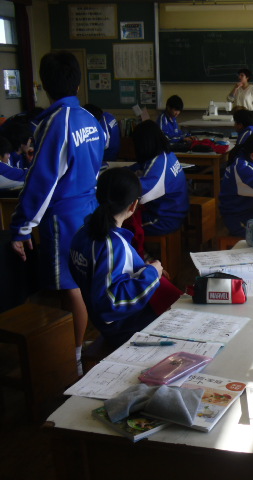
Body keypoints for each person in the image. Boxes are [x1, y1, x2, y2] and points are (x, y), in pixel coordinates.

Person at [10, 51, 106, 373]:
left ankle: (74, 359)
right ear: (78, 84)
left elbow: (42, 181)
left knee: (70, 287)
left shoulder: (56, 123)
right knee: (80, 280)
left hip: (63, 217)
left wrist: (22, 227)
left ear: (44, 86)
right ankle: (80, 350)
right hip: (88, 209)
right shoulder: (90, 119)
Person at [69, 168, 173, 348]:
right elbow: (111, 302)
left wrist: (141, 269)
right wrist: (152, 273)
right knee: (180, 315)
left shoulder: (83, 232)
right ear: (133, 205)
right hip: (123, 327)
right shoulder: (112, 244)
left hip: (102, 321)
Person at [130, 120, 189, 240]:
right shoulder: (166, 155)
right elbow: (140, 166)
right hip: (174, 210)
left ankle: (136, 252)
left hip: (163, 219)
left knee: (120, 224)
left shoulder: (158, 164)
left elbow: (142, 195)